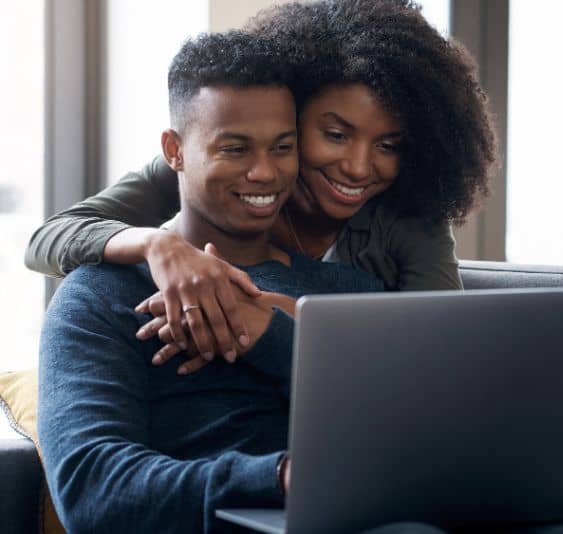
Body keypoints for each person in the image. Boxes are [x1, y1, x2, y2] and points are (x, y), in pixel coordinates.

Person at [38, 30, 385, 534]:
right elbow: (91, 490)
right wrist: (280, 477)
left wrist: (269, 334)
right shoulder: (98, 296)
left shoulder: (351, 293)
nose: (265, 173)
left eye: (282, 147)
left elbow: (405, 436)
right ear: (174, 150)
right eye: (236, 149)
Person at [25, 0, 498, 369]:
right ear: (291, 116)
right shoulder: (214, 171)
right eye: (335, 134)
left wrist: (272, 315)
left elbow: (439, 357)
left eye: (388, 145)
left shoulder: (412, 222)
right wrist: (159, 246)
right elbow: (47, 239)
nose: (358, 166)